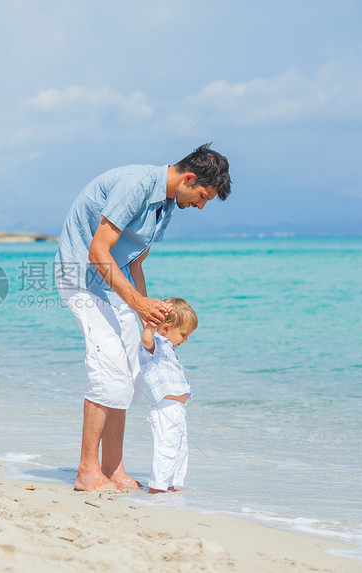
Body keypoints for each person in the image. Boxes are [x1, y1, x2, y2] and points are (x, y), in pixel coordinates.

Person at [54, 143, 231, 491]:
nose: (200, 205)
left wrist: (147, 311)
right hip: (81, 280)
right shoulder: (135, 186)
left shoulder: (166, 207)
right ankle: (86, 472)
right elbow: (97, 252)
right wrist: (137, 303)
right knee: (109, 376)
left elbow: (134, 262)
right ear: (189, 178)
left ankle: (113, 469)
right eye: (202, 196)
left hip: (113, 285)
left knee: (132, 376)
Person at [139, 297, 197, 494]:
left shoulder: (168, 348)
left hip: (177, 409)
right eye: (183, 334)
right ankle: (157, 487)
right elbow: (146, 339)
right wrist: (151, 325)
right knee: (167, 448)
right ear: (165, 329)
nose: (185, 339)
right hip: (166, 409)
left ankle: (170, 485)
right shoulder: (155, 344)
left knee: (179, 448)